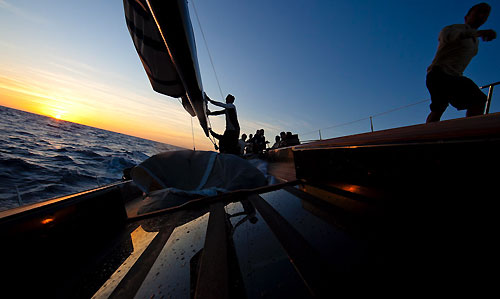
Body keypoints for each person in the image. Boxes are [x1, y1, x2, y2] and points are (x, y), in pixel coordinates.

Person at [426, 3, 496, 123]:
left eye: (485, 15)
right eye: (478, 12)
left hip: (453, 76)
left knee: (440, 107)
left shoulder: (475, 42)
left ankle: (470, 130)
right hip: (438, 74)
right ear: (466, 17)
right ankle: (470, 132)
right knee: (477, 99)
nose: (481, 16)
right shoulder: (454, 29)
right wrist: (478, 33)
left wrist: (477, 34)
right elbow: (446, 36)